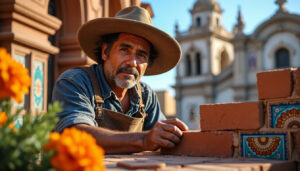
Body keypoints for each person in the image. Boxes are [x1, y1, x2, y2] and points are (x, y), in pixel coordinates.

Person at [52, 6, 188, 154]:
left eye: (141, 55)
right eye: (125, 50)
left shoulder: (146, 95)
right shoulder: (75, 82)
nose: (132, 62)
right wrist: (144, 140)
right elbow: (77, 134)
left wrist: (173, 134)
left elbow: (162, 138)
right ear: (105, 52)